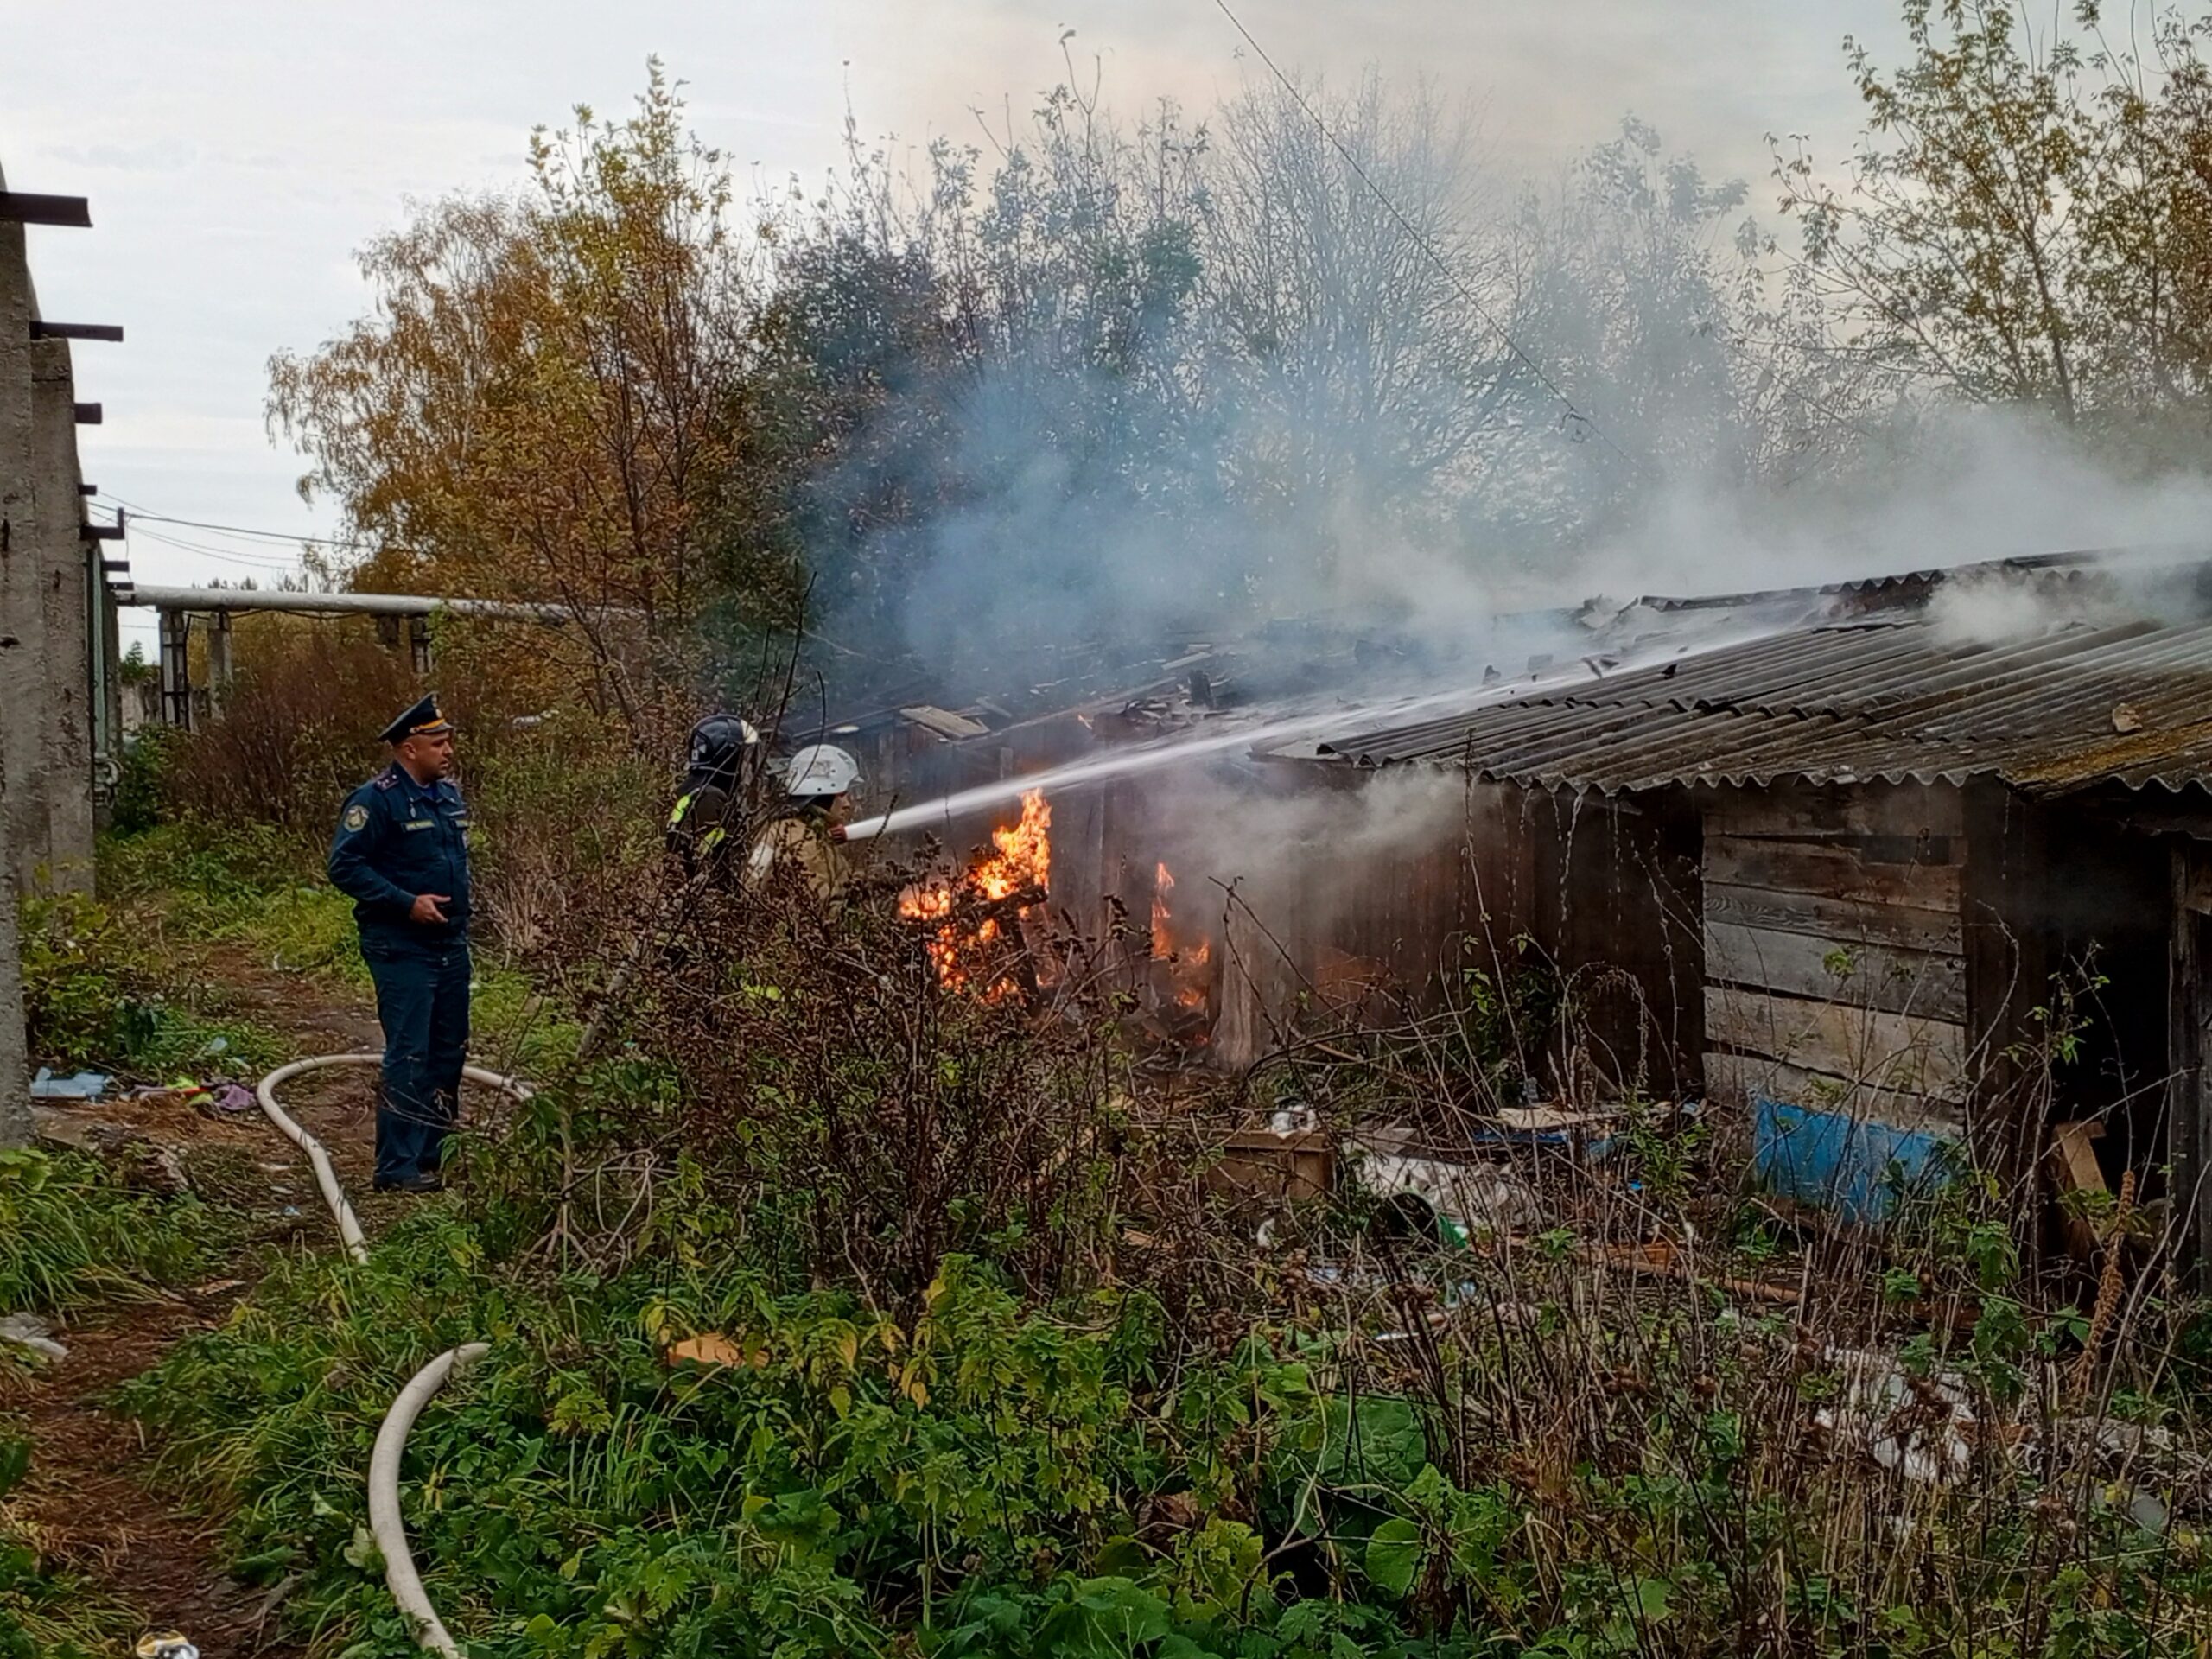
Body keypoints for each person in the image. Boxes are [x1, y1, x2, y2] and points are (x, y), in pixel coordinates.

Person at [327, 693, 473, 1194]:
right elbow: (344, 867)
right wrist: (405, 901)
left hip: (450, 944)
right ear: (409, 748)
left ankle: (436, 1152)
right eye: (438, 742)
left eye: (449, 739)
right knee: (409, 1053)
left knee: (448, 1050)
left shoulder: (447, 796)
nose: (448, 748)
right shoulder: (376, 800)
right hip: (401, 945)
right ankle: (397, 1167)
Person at [747, 743, 859, 899]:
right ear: (823, 795)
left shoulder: (780, 830)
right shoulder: (804, 841)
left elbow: (750, 883)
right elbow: (822, 906)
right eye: (842, 795)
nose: (847, 804)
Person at [665, 712, 760, 873]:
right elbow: (717, 861)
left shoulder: (692, 790)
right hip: (707, 893)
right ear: (728, 758)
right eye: (741, 758)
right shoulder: (710, 797)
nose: (746, 767)